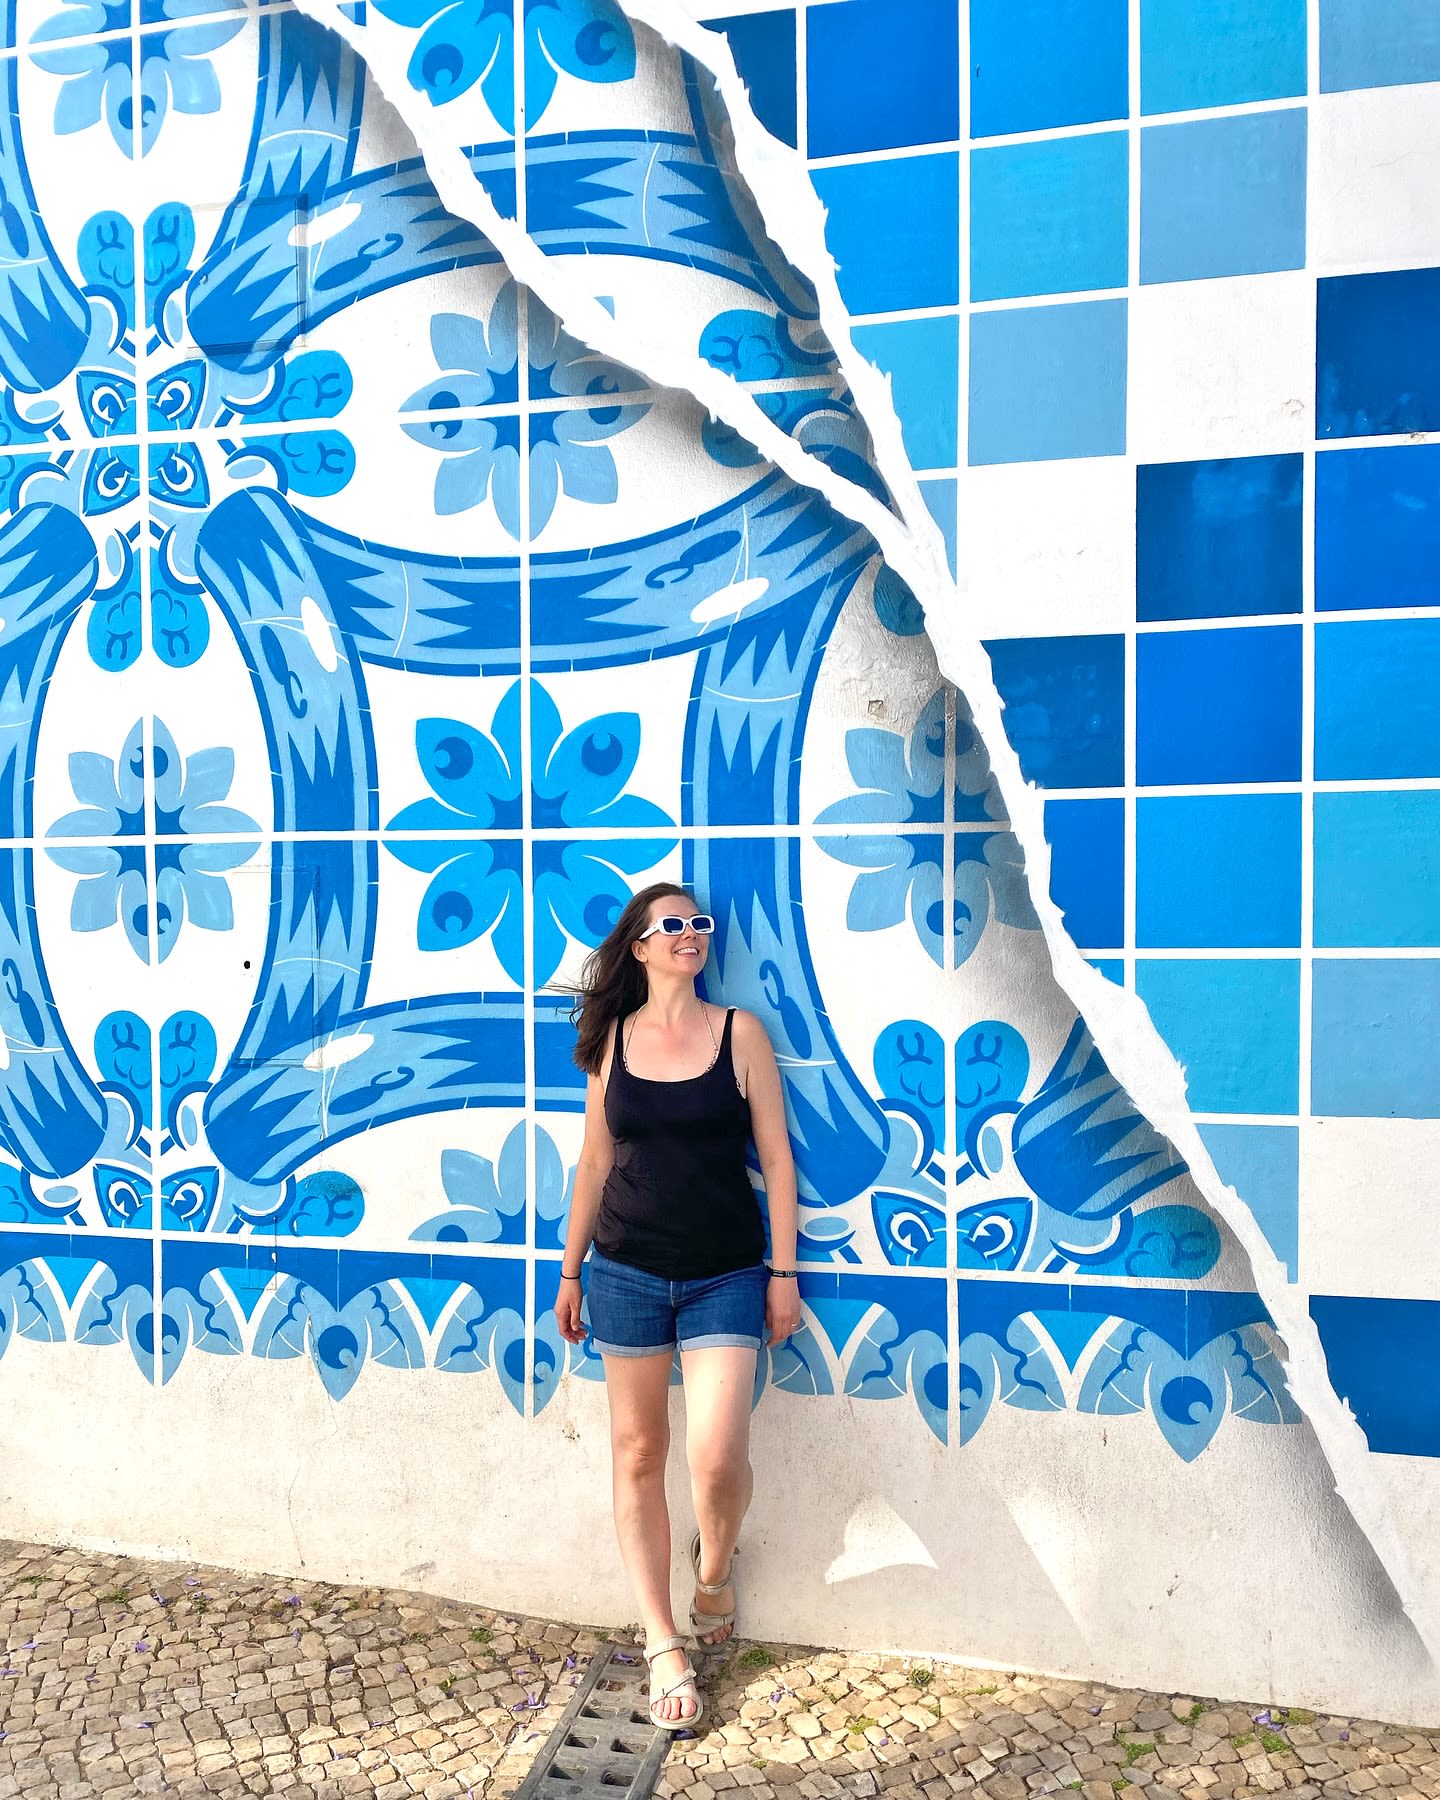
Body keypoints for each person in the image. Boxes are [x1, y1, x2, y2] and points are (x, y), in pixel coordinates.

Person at [554, 882, 801, 1732]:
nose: (692, 932)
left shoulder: (741, 1034)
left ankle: (714, 1571)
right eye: (674, 924)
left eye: (700, 923)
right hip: (623, 1272)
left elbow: (775, 1153)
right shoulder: (613, 1043)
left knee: (715, 1455)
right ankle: (663, 1639)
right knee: (635, 1451)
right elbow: (593, 1162)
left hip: (726, 1274)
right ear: (640, 947)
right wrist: (569, 1270)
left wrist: (783, 1271)